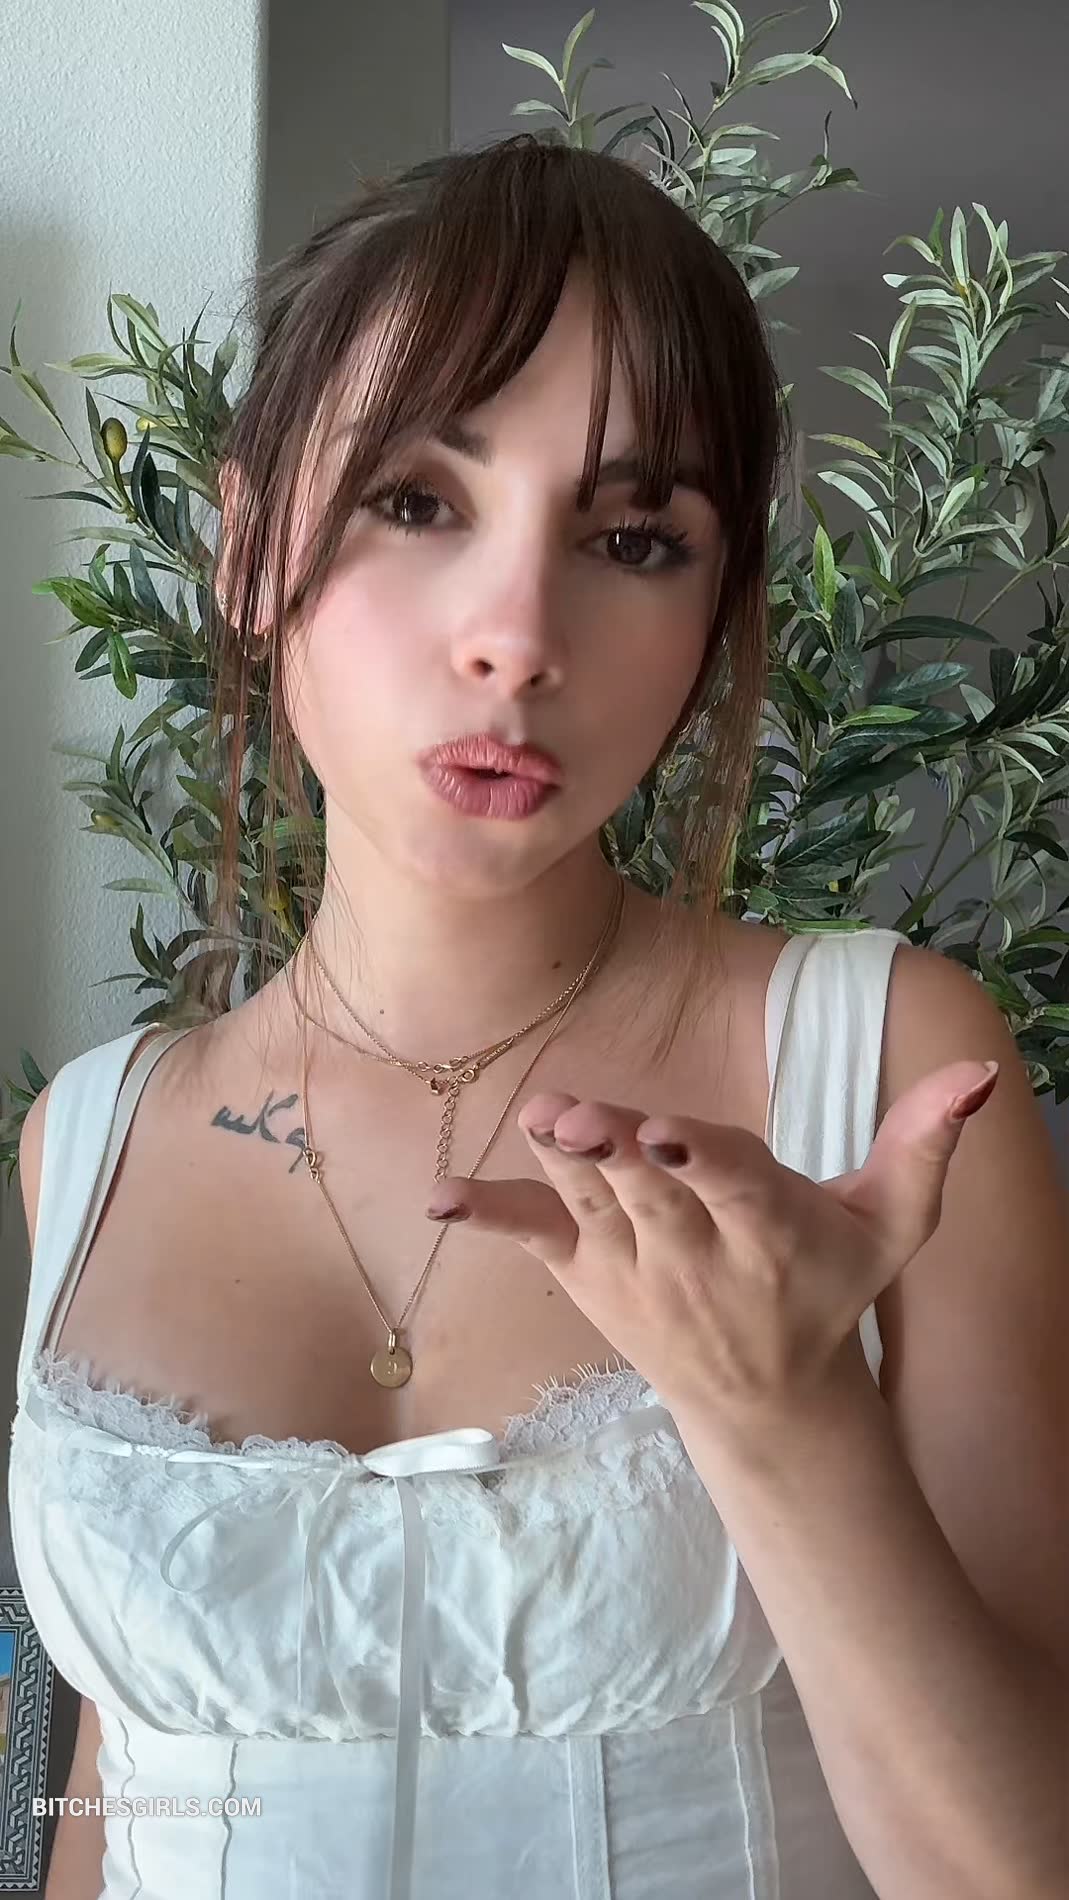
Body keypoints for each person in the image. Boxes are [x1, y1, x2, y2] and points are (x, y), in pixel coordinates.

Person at [9, 135, 1065, 1900]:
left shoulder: (888, 1067)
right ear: (250, 544)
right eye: (416, 501)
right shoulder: (87, 1137)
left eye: (634, 540)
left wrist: (783, 1416)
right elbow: (120, 1802)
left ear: (711, 620)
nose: (515, 637)